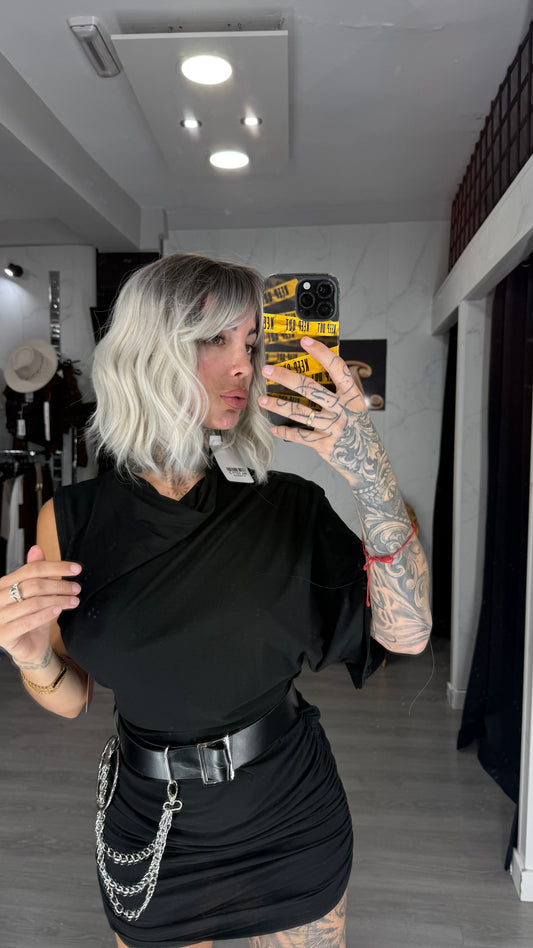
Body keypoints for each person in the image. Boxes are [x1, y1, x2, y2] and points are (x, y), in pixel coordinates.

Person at [0, 253, 431, 948]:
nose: (244, 366)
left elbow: (407, 635)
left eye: (253, 344)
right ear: (148, 352)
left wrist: (368, 469)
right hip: (151, 825)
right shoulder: (71, 521)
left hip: (289, 817)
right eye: (215, 340)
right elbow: (71, 697)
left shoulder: (287, 508)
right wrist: (32, 659)